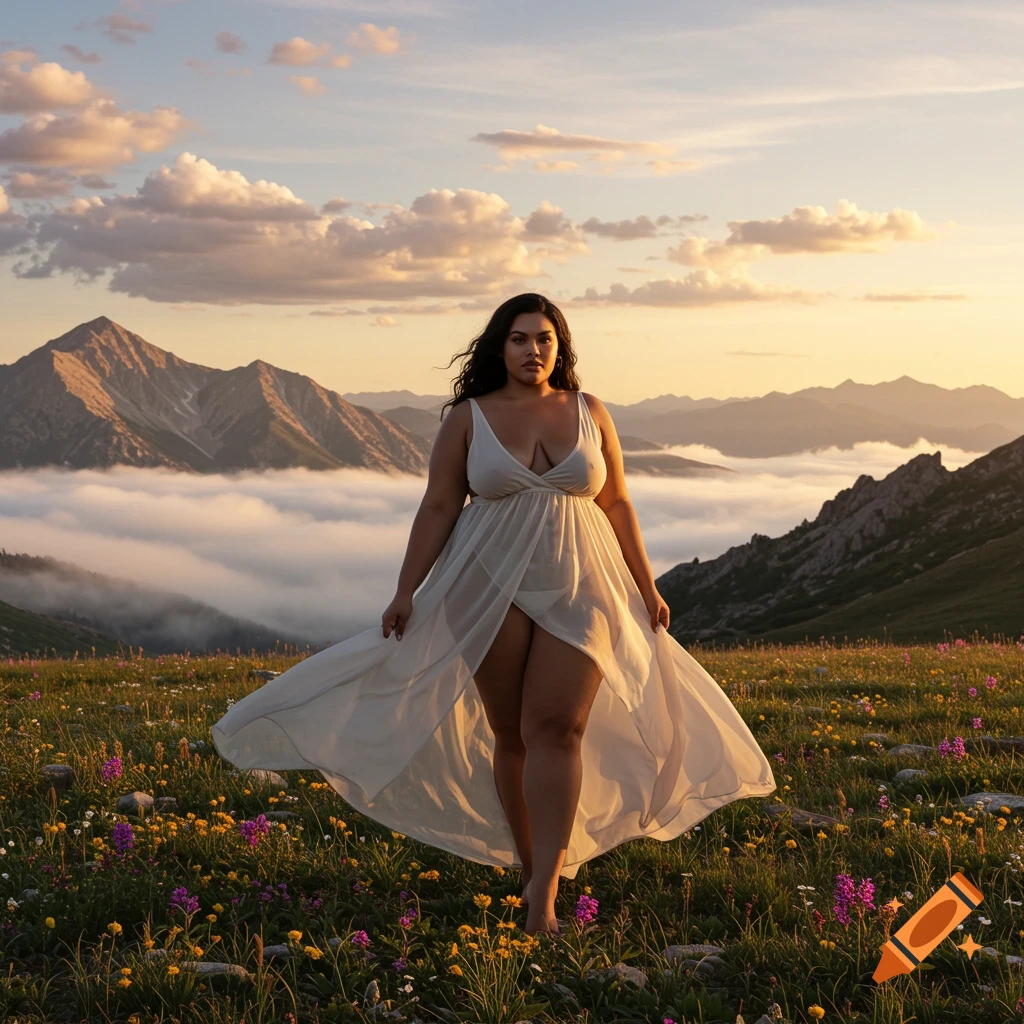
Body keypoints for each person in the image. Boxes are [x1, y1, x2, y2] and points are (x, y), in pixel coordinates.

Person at [212, 292, 777, 936]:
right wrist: (406, 591)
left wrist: (646, 588)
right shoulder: (468, 417)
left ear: (560, 347)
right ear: (498, 347)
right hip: (485, 583)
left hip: (582, 584)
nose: (532, 351)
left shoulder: (591, 413)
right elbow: (437, 507)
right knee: (510, 734)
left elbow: (617, 502)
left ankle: (544, 901)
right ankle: (536, 870)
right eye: (518, 338)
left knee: (558, 728)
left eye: (543, 339)